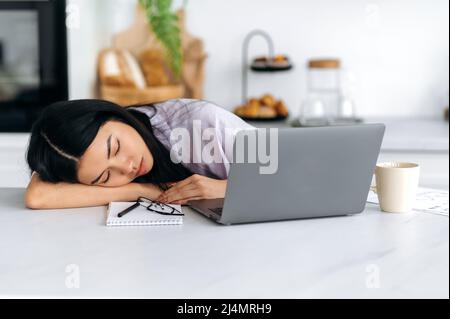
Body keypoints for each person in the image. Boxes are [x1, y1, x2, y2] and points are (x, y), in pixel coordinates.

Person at [25, 99, 254, 209]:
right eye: (105, 177)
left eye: (115, 147)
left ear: (113, 115)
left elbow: (288, 174)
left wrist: (226, 188)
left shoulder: (201, 123)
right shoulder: (125, 170)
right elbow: (38, 196)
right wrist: (141, 190)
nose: (127, 167)